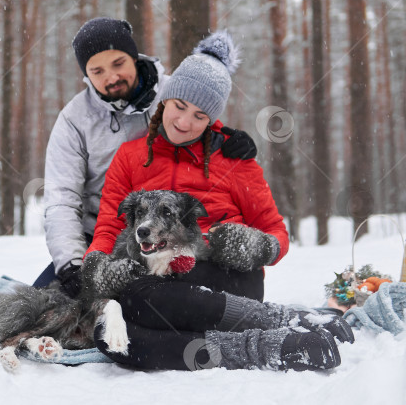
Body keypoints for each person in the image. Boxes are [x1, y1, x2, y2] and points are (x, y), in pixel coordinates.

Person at [82, 31, 353, 371]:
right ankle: (270, 346)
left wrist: (259, 247)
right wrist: (96, 267)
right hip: (159, 281)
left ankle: (278, 319)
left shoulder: (235, 159)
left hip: (225, 278)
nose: (184, 122)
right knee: (111, 337)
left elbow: (275, 232)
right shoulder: (130, 157)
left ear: (212, 119)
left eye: (199, 116)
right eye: (179, 107)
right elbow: (108, 224)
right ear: (164, 100)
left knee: (139, 299)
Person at [36, 18, 258, 297]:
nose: (111, 77)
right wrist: (72, 263)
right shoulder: (74, 119)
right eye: (97, 71)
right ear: (86, 75)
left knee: (153, 303)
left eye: (118, 64)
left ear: (134, 57)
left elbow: (200, 120)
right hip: (101, 235)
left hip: (165, 230)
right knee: (47, 300)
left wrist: (230, 139)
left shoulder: (173, 90)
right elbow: (61, 200)